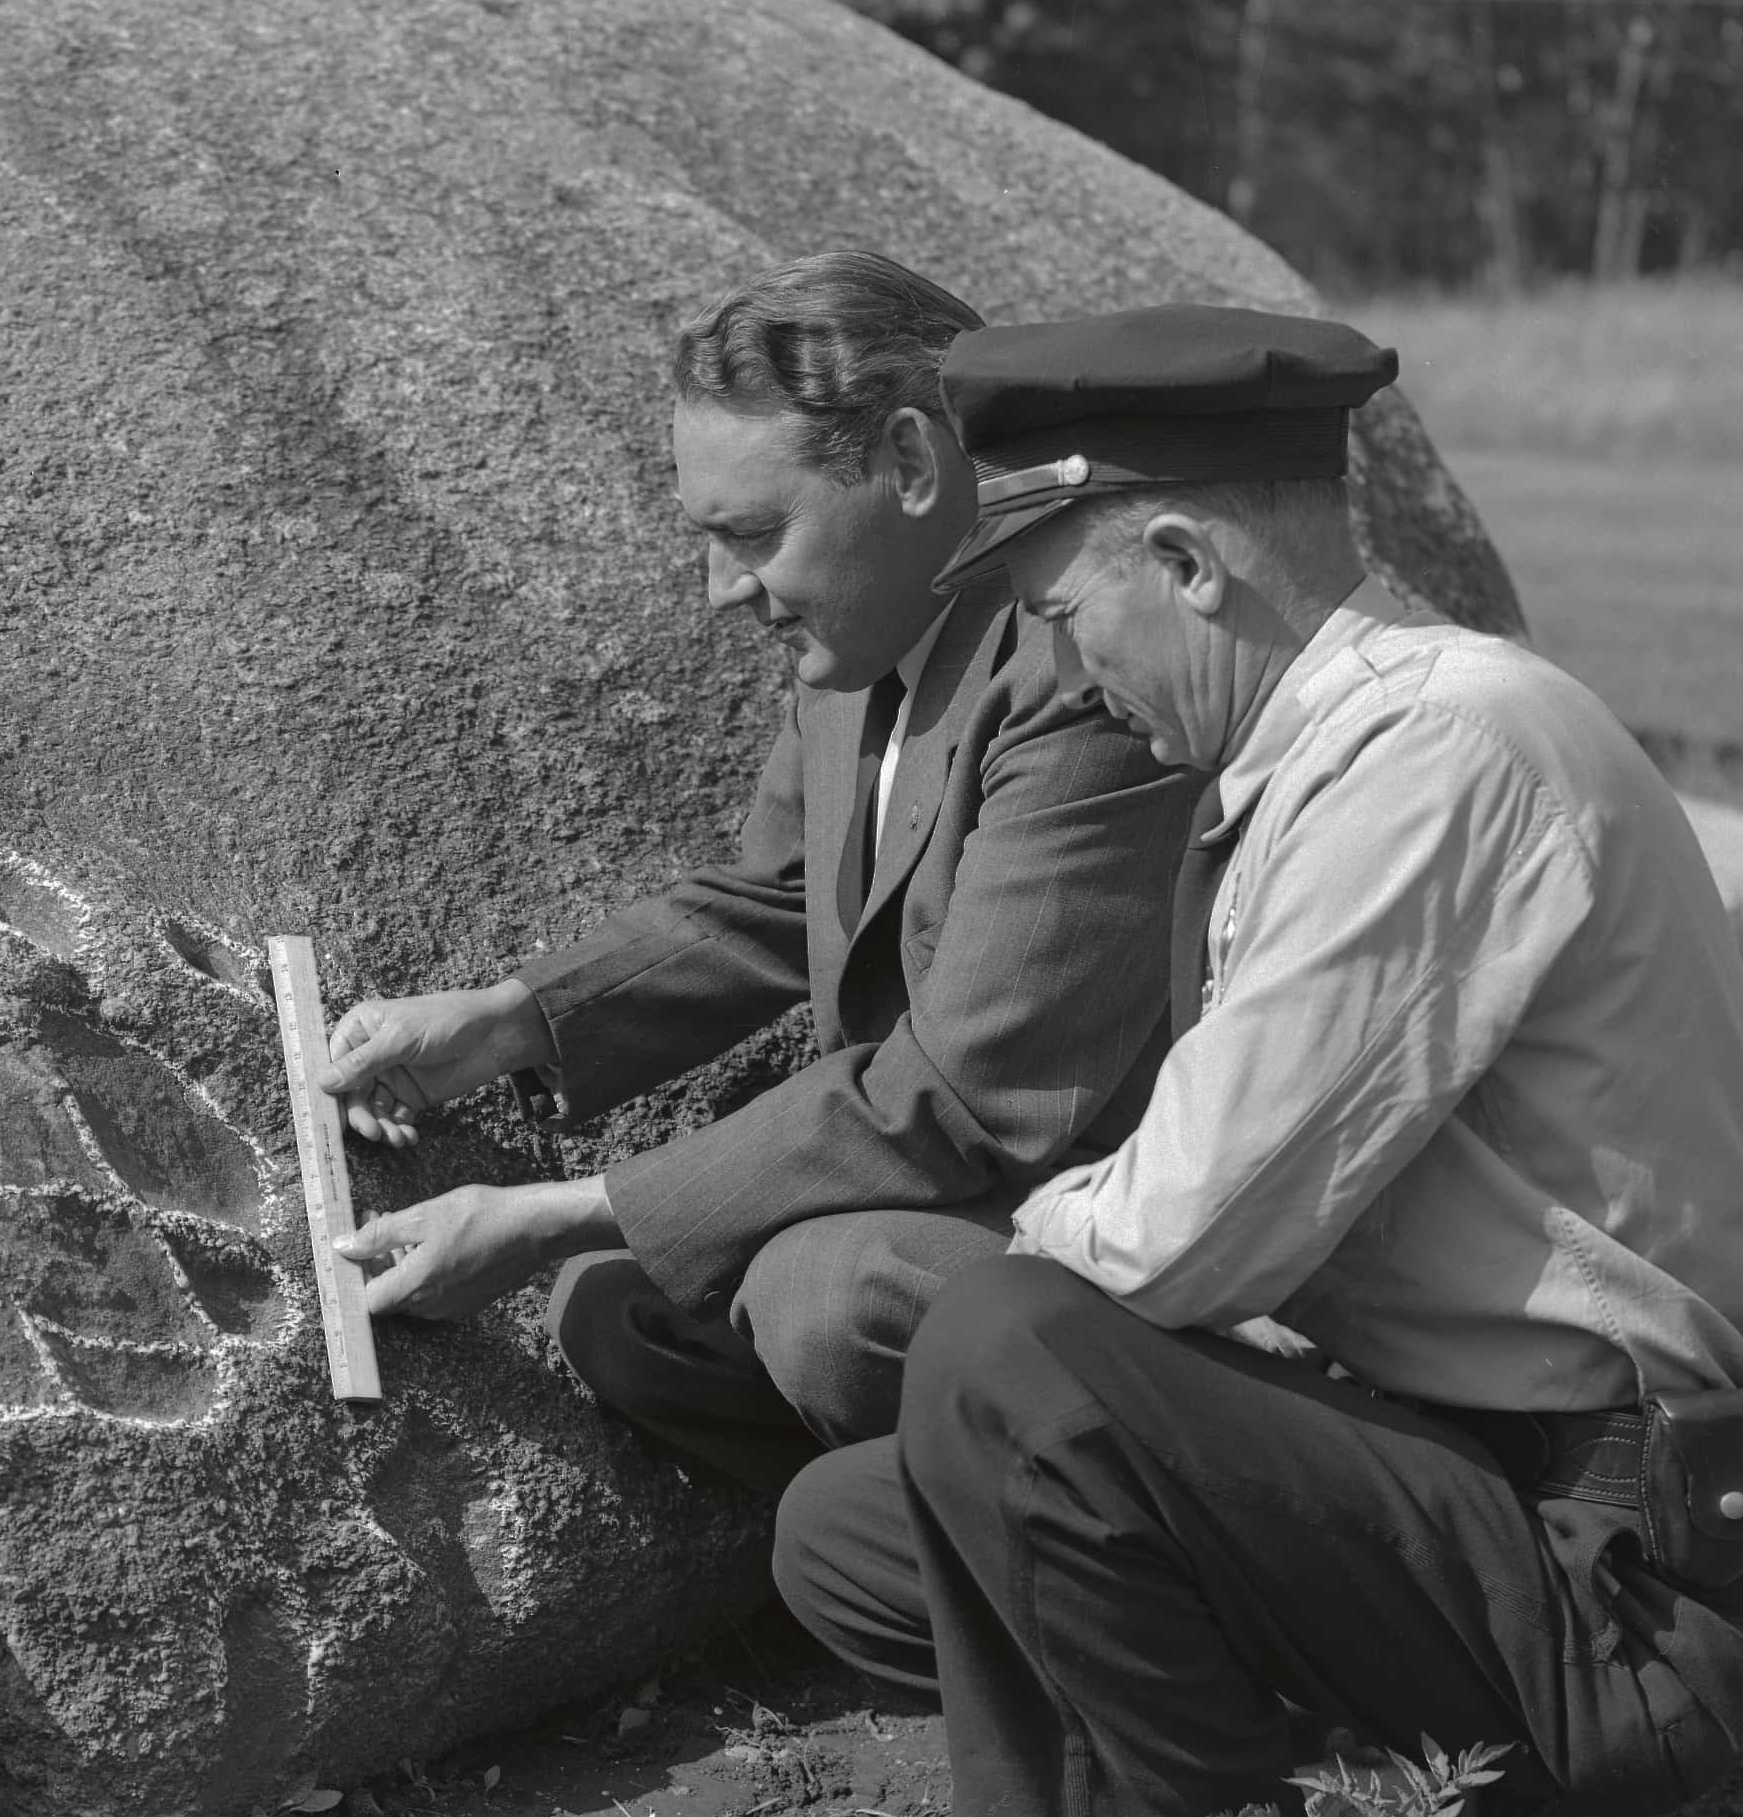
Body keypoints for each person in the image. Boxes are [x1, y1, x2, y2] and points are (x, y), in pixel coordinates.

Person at [761, 303, 1743, 1817]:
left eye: (1063, 607)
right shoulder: (1343, 750)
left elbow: (1181, 1235)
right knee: (853, 1535)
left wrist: (1015, 1257)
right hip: (1478, 1465)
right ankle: (1375, 1780)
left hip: (1620, 1576)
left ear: (1184, 560)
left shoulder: (1439, 753)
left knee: (1007, 1353)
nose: (1064, 665)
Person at [314, 253, 1204, 1497]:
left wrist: (555, 1208)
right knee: (617, 1310)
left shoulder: (1079, 676)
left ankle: (1104, 1556)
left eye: (751, 535)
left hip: (1126, 1243)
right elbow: (779, 898)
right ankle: (886, 1542)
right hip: (948, 1213)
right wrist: (514, 1021)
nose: (721, 591)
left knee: (820, 1299)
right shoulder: (866, 635)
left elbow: (960, 1099)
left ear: (908, 463)